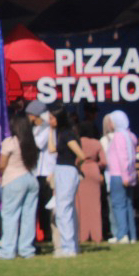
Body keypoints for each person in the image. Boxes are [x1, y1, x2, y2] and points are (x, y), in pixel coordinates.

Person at [0, 112, 39, 259]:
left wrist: (2, 175)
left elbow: (2, 165)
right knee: (29, 216)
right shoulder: (30, 141)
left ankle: (8, 250)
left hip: (13, 179)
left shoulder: (10, 142)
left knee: (9, 215)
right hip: (31, 178)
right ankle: (27, 249)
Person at [48, 104, 85, 257]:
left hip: (67, 171)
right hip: (62, 170)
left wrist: (76, 166)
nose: (49, 121)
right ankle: (71, 245)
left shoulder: (67, 135)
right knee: (66, 209)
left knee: (63, 210)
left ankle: (68, 247)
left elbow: (81, 155)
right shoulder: (61, 134)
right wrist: (51, 130)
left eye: (52, 118)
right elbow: (51, 149)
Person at [104, 111, 137, 243]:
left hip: (119, 175)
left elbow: (123, 157)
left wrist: (124, 176)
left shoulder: (118, 136)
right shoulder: (130, 135)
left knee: (118, 205)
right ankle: (132, 235)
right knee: (128, 204)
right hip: (129, 175)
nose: (109, 124)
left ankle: (122, 234)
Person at [26, 99, 55, 245]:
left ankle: (49, 232)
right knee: (38, 204)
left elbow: (37, 144)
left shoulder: (47, 128)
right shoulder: (36, 129)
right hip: (36, 171)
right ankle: (42, 232)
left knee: (46, 203)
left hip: (47, 172)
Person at [76, 119, 106, 243]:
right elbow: (104, 162)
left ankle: (82, 235)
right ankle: (97, 235)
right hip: (94, 171)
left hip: (80, 171)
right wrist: (95, 165)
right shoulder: (97, 143)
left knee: (80, 205)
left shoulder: (77, 143)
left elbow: (75, 160)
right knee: (95, 206)